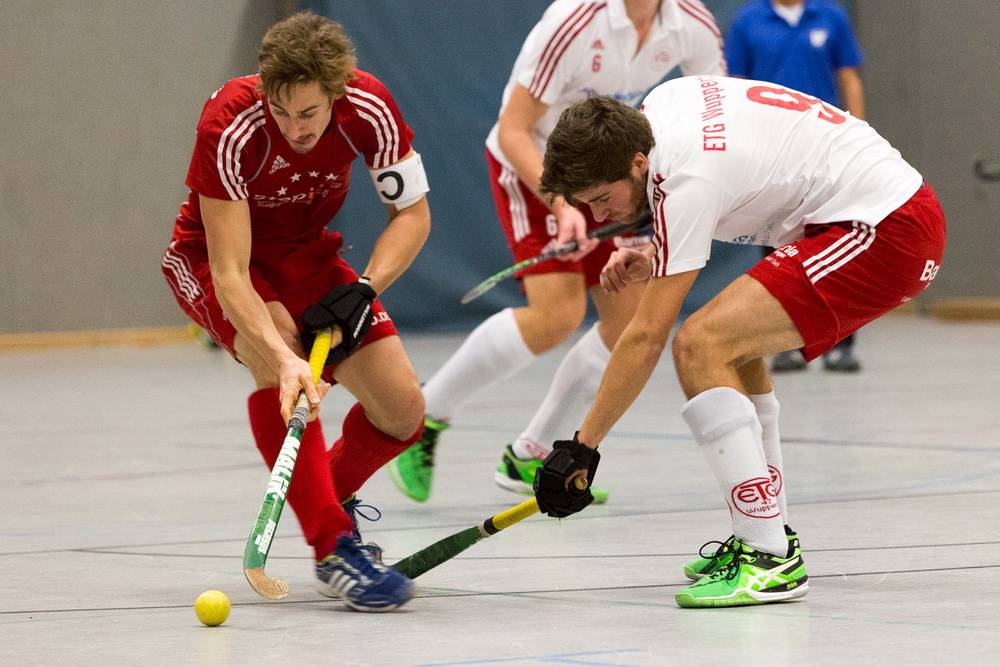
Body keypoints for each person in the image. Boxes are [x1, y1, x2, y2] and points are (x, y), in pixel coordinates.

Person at [530, 76, 945, 608]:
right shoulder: (659, 111)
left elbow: (645, 336)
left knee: (698, 345)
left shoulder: (686, 179)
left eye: (602, 199)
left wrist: (581, 448)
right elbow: (736, 165)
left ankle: (768, 556)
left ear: (636, 163)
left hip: (885, 231)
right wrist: (658, 249)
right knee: (735, 349)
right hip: (874, 212)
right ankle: (768, 529)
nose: (598, 217)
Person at [388, 0, 726, 505]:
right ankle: (423, 416)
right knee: (558, 314)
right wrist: (562, 202)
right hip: (540, 166)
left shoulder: (692, 23)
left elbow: (713, 107)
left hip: (618, 173)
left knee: (626, 321)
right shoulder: (575, 22)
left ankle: (529, 453)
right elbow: (512, 129)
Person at [161, 12, 431, 612]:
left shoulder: (370, 106)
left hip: (309, 254)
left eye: (309, 114)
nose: (295, 129)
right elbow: (231, 273)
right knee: (276, 342)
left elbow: (414, 216)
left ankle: (324, 503)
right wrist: (284, 360)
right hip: (217, 257)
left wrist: (363, 288)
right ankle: (334, 551)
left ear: (337, 92)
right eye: (282, 112)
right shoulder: (230, 124)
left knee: (402, 412)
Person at [726, 0, 866, 372]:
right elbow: (736, 88)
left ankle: (841, 343)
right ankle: (787, 343)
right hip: (770, 152)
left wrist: (857, 134)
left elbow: (848, 77)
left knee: (836, 240)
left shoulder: (830, 15)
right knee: (778, 245)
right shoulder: (749, 21)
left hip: (826, 147)